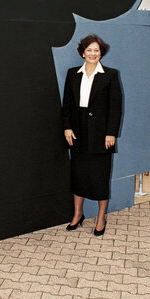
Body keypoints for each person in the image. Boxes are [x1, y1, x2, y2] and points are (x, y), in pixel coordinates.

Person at [62, 34, 122, 236]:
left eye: (96, 50)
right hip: (78, 134)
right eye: (89, 50)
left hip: (101, 135)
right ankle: (77, 215)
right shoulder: (73, 74)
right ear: (82, 52)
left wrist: (111, 133)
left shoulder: (110, 75)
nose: (93, 54)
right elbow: (67, 105)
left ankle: (101, 218)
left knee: (100, 177)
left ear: (101, 52)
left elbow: (115, 108)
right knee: (78, 175)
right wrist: (67, 127)